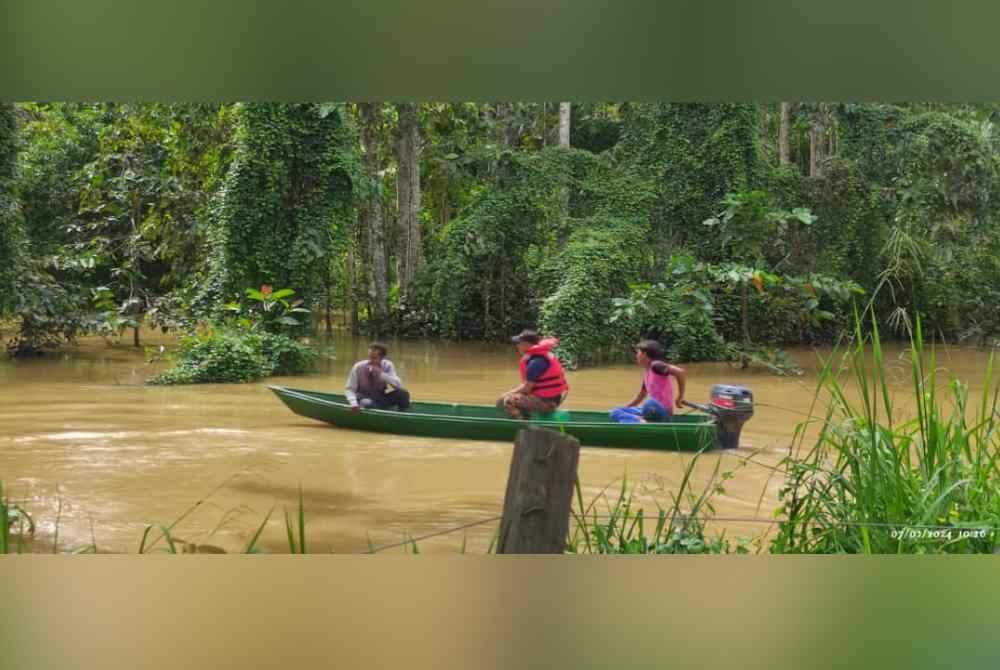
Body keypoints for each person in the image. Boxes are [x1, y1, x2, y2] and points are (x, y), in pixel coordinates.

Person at [609, 339, 687, 423]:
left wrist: (680, 396)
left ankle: (641, 421)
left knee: (649, 403)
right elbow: (641, 395)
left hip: (662, 412)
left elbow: (680, 372)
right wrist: (626, 408)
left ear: (644, 354)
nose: (636, 355)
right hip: (650, 411)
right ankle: (641, 422)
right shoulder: (647, 372)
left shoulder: (656, 365)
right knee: (615, 412)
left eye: (638, 352)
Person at [497, 329, 569, 419]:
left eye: (519, 343)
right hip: (552, 399)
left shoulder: (535, 362)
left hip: (547, 402)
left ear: (526, 344)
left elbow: (527, 389)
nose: (517, 346)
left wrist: (505, 394)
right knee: (516, 397)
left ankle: (522, 424)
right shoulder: (542, 355)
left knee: (507, 400)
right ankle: (527, 417)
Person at [345, 342, 411, 412]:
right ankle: (379, 411)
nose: (370, 361)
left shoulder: (387, 365)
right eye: (369, 357)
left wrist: (382, 375)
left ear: (382, 358)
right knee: (366, 403)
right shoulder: (358, 367)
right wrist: (353, 403)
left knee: (403, 393)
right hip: (363, 398)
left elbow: (398, 386)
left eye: (374, 358)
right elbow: (349, 389)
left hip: (380, 398)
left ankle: (402, 413)